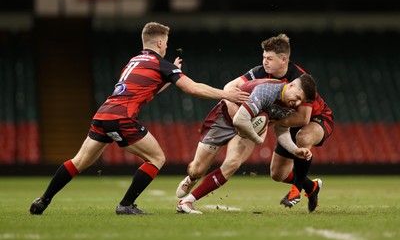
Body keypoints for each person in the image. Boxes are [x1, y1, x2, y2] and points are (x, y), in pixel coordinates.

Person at [29, 22, 250, 215]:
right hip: (122, 117)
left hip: (104, 113)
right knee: (156, 158)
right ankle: (126, 204)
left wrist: (168, 78)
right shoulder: (161, 64)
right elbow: (192, 88)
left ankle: (43, 200)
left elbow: (146, 90)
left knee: (79, 162)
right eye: (166, 42)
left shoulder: (134, 61)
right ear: (161, 43)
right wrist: (225, 93)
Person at [176, 33, 334, 213]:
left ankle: (296, 190)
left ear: (283, 60)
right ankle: (311, 187)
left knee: (236, 161)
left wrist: (267, 121)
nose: (265, 61)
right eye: (264, 57)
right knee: (277, 174)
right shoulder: (261, 76)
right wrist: (236, 106)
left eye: (269, 58)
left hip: (309, 119)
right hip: (233, 117)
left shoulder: (299, 81)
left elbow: (302, 119)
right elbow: (230, 87)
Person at [176, 74, 316, 214]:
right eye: (297, 97)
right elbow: (239, 120)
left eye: (301, 101)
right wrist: (258, 139)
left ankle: (187, 201)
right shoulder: (267, 91)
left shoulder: (289, 103)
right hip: (225, 119)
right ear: (291, 85)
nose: (297, 103)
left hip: (248, 125)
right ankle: (192, 178)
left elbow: (282, 130)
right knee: (197, 169)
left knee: (233, 164)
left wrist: (295, 150)